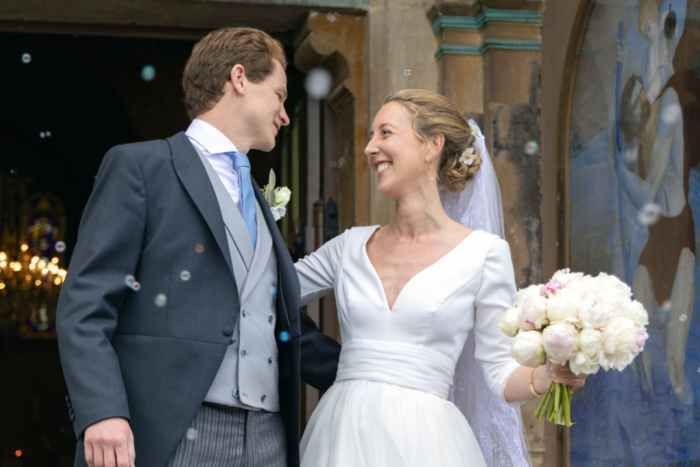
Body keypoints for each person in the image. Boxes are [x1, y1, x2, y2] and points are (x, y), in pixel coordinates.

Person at [56, 27, 340, 467]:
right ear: (240, 78)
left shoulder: (258, 203)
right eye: (280, 96)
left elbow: (270, 318)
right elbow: (85, 305)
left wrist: (374, 373)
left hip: (269, 439)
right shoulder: (141, 167)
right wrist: (103, 410)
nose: (285, 115)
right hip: (176, 431)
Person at [294, 90, 587, 467]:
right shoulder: (348, 246)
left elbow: (498, 372)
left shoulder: (484, 254)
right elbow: (267, 292)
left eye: (385, 133)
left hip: (427, 441)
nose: (370, 148)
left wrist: (547, 375)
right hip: (340, 433)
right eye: (370, 136)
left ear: (432, 145)